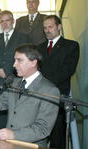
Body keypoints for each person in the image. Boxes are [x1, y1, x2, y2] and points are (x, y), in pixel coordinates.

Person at [0, 44, 60, 147]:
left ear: (33, 62)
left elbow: (43, 128)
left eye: (19, 60)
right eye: (15, 60)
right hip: (9, 144)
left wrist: (14, 134)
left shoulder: (50, 90)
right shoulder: (14, 83)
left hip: (31, 146)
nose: (14, 65)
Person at [38, 15, 80, 149]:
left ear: (59, 27)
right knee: (38, 134)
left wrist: (44, 84)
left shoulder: (71, 46)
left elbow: (67, 70)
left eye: (50, 27)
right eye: (45, 28)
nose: (47, 30)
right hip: (38, 96)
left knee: (57, 136)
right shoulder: (39, 47)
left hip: (58, 97)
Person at [0, 10, 31, 135]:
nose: (5, 24)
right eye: (2, 21)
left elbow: (25, 58)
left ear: (13, 21)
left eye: (7, 20)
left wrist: (7, 72)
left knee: (15, 116)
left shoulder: (23, 37)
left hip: (16, 81)